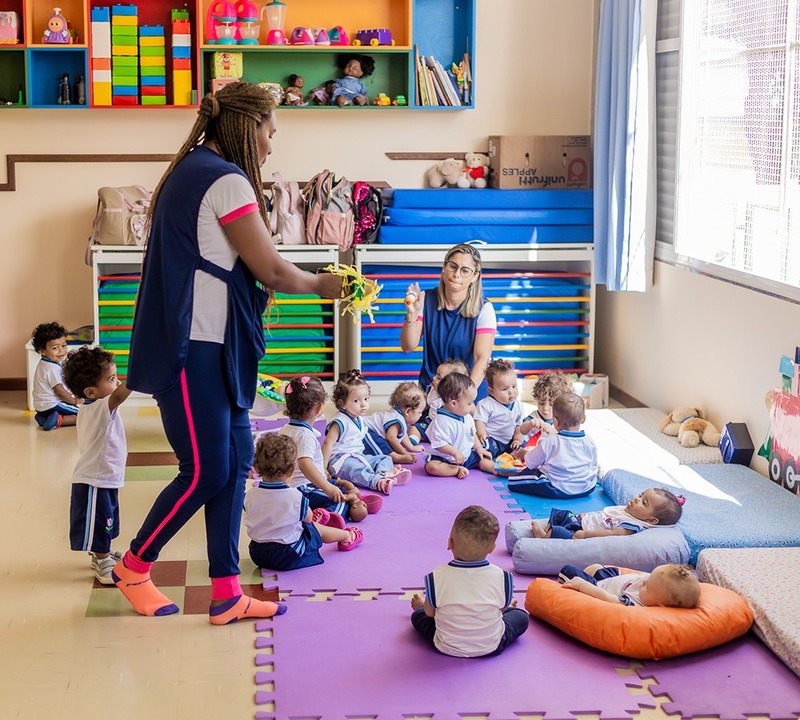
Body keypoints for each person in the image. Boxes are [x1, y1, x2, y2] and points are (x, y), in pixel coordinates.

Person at [115, 81, 342, 623]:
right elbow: (270, 268)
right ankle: (134, 565)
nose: (270, 145)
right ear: (246, 126)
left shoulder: (194, 171)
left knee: (236, 462)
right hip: (193, 348)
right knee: (205, 470)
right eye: (269, 131)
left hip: (213, 349)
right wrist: (323, 285)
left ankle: (226, 591)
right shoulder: (224, 179)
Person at [410, 505, 529, 657]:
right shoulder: (502, 577)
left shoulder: (436, 577)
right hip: (492, 645)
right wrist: (506, 607)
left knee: (418, 616)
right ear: (492, 548)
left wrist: (423, 607)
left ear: (450, 543)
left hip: (447, 645)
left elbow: (430, 613)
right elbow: (502, 610)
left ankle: (420, 606)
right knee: (522, 617)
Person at [62, 346, 132, 584]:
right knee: (100, 519)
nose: (118, 382)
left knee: (107, 520)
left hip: (106, 477)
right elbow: (119, 396)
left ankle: (102, 551)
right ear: (91, 391)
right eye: (112, 379)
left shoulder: (95, 406)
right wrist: (139, 373)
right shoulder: (99, 407)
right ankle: (102, 560)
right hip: (94, 480)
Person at [244, 433, 363, 572]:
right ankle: (347, 536)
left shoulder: (250, 495)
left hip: (257, 553)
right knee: (315, 528)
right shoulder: (294, 496)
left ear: (257, 469)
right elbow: (308, 518)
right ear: (291, 471)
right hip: (286, 555)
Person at [401, 243, 496, 400]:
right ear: (444, 267)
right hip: (433, 390)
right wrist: (411, 314)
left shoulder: (484, 309)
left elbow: (482, 359)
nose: (457, 274)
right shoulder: (425, 299)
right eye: (453, 266)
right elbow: (407, 346)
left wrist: (463, 396)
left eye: (465, 270)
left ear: (474, 276)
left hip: (469, 392)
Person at [278, 374, 373, 522]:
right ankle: (332, 514)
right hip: (305, 488)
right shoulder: (305, 435)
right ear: (319, 408)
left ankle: (352, 497)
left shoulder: (285, 429)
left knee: (343, 486)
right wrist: (328, 488)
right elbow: (305, 465)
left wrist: (328, 479)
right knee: (338, 502)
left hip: (304, 484)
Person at [321, 369, 410, 494]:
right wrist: (324, 468)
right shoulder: (339, 422)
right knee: (356, 470)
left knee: (385, 459)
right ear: (342, 404)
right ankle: (377, 482)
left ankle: (385, 473)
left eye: (366, 399)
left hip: (358, 456)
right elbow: (327, 444)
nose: (363, 404)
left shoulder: (359, 419)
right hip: (339, 461)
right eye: (357, 401)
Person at [507, 391, 597, 498]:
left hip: (558, 488)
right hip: (586, 488)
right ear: (583, 419)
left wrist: (524, 455)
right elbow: (593, 466)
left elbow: (531, 462)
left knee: (514, 481)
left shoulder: (552, 440)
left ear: (555, 421)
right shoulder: (589, 441)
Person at [530, 487, 685, 539]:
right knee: (561, 514)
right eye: (640, 495)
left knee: (564, 533)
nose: (637, 499)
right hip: (580, 521)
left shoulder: (632, 524)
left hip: (581, 530)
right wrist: (587, 515)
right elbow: (605, 515)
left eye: (644, 503)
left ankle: (545, 537)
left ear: (651, 520)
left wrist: (586, 534)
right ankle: (547, 530)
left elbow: (611, 533)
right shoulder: (627, 511)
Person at [424, 372, 494, 479]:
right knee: (432, 467)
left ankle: (497, 469)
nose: (472, 407)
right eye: (469, 403)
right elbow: (440, 444)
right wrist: (455, 453)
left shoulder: (467, 417)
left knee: (483, 459)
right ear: (453, 403)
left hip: (465, 456)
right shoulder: (441, 421)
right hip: (445, 458)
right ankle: (456, 469)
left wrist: (479, 448)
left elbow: (472, 434)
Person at [558, 563, 701, 608]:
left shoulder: (635, 603)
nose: (644, 581)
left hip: (598, 587)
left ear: (660, 605)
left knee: (569, 572)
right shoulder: (655, 586)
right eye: (649, 577)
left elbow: (607, 598)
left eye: (647, 586)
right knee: (596, 567)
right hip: (615, 578)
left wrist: (582, 585)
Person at [475, 359, 534, 461]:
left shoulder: (518, 405)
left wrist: (517, 439)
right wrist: (482, 434)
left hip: (509, 442)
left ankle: (514, 454)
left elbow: (518, 426)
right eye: (504, 389)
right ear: (491, 391)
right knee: (483, 447)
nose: (511, 392)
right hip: (493, 440)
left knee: (524, 446)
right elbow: (480, 422)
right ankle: (485, 458)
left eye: (514, 386)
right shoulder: (486, 404)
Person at [30, 321, 80, 430]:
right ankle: (58, 421)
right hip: (51, 404)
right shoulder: (51, 368)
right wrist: (74, 401)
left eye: (64, 345)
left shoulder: (45, 363)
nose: (61, 350)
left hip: (41, 406)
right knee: (83, 414)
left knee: (72, 410)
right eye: (55, 348)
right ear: (42, 351)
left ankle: (44, 417)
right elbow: (60, 392)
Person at [364, 380, 427, 465]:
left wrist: (411, 447)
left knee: (382, 442)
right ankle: (395, 457)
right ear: (408, 411)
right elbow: (391, 438)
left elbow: (403, 434)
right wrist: (404, 453)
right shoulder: (396, 420)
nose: (421, 415)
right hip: (365, 431)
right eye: (419, 412)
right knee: (379, 443)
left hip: (368, 430)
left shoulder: (400, 417)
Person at [408, 358, 468, 445]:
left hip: (447, 428)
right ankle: (413, 440)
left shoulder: (455, 400)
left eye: (439, 378)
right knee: (415, 428)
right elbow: (425, 405)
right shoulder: (432, 391)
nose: (434, 378)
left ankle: (446, 445)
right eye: (436, 375)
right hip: (430, 423)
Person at [522, 372, 574, 445]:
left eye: (551, 404)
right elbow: (522, 430)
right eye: (541, 403)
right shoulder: (535, 416)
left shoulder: (562, 420)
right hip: (534, 448)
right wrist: (530, 424)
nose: (545, 408)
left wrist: (553, 432)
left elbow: (567, 439)